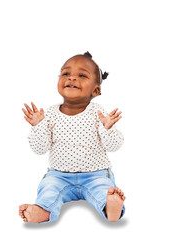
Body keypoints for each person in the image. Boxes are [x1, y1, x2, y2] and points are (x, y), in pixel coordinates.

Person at [19, 51, 126, 223]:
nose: (72, 78)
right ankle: (43, 210)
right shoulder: (49, 114)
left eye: (82, 75)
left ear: (96, 90)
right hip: (59, 175)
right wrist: (38, 127)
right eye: (66, 73)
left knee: (103, 189)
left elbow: (114, 146)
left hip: (95, 174)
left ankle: (110, 207)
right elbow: (39, 150)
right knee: (48, 189)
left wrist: (108, 129)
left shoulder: (98, 113)